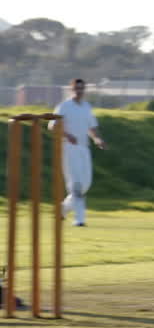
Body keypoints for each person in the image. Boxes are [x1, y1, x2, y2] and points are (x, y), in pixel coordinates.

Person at [52, 78, 107, 227]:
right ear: (72, 89)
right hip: (69, 148)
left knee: (85, 184)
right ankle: (79, 219)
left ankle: (62, 210)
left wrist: (97, 139)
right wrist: (67, 135)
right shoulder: (64, 106)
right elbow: (52, 126)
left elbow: (92, 127)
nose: (79, 91)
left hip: (84, 148)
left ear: (84, 90)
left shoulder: (86, 107)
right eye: (76, 88)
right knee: (76, 184)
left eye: (82, 88)